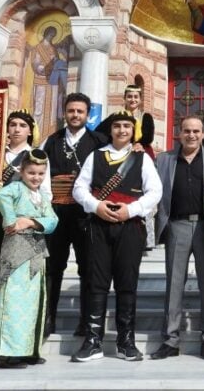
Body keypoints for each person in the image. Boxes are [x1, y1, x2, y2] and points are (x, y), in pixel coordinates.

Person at [71, 110, 163, 362]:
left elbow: (155, 191)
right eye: (117, 126)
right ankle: (92, 340)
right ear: (110, 130)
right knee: (96, 282)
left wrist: (130, 210)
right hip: (98, 226)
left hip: (130, 226)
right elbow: (79, 188)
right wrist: (96, 206)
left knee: (126, 283)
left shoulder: (141, 159)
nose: (122, 130)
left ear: (133, 131)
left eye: (126, 126)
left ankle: (126, 341)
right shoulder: (96, 156)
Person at [0, 110, 50, 362]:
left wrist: (28, 220)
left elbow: (45, 193)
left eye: (22, 125)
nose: (16, 129)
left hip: (23, 228)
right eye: (12, 124)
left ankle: (23, 344)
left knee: (21, 284)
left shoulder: (36, 157)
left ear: (30, 130)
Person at [150, 115, 204, 360]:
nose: (191, 135)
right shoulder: (164, 159)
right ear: (179, 133)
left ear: (203, 134)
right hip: (176, 226)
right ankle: (170, 340)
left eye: (196, 131)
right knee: (174, 284)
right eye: (187, 131)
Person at [40, 93, 108, 338]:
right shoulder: (51, 141)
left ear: (87, 114)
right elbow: (41, 175)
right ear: (64, 113)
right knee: (52, 267)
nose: (75, 115)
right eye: (71, 111)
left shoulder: (99, 141)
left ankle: (86, 322)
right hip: (56, 212)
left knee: (88, 267)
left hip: (85, 215)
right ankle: (47, 320)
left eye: (80, 111)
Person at [0, 148, 58, 369]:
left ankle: (27, 350)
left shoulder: (43, 196)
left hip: (37, 248)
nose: (36, 178)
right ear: (22, 171)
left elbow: (52, 220)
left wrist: (30, 221)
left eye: (40, 174)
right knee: (14, 297)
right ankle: (5, 354)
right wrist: (11, 221)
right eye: (31, 173)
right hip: (17, 247)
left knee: (34, 299)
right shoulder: (16, 188)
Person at [97, 85, 156, 249]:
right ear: (125, 98)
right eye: (129, 96)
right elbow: (100, 132)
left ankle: (145, 238)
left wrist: (137, 144)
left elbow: (149, 136)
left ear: (140, 99)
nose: (133, 100)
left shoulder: (146, 116)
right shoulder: (116, 116)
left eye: (136, 97)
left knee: (144, 192)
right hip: (118, 154)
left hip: (139, 151)